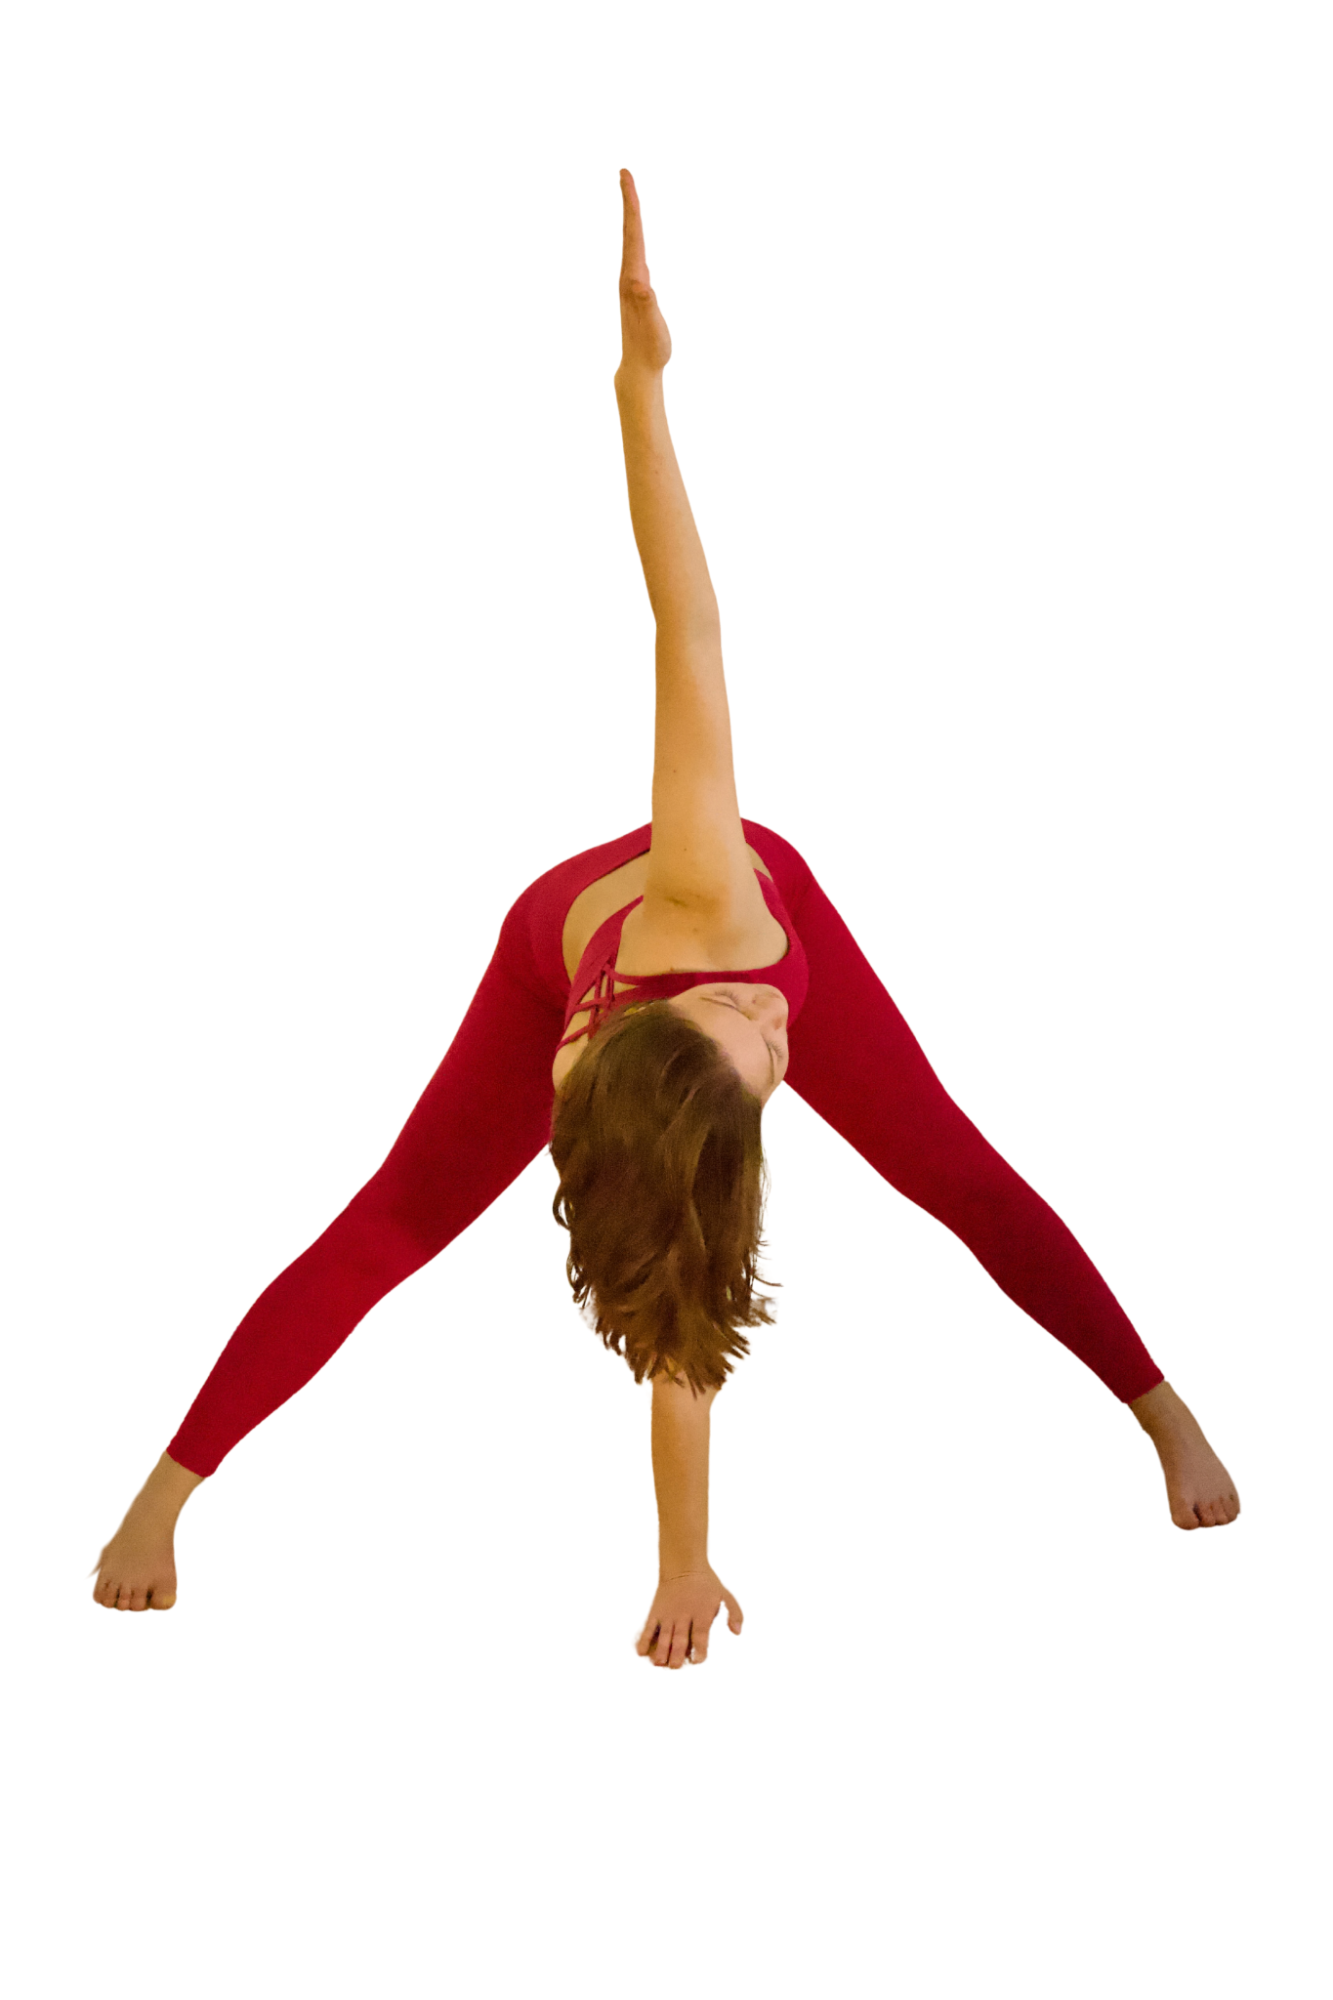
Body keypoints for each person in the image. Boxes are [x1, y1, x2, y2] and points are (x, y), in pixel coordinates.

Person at [89, 169, 1239, 1661]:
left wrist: (637, 387)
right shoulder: (657, 1079)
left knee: (950, 1165)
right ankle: (161, 1495)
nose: (780, 1022)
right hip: (558, 959)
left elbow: (685, 622)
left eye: (752, 1015)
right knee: (398, 1221)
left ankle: (1163, 1410)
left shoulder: (720, 911)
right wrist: (683, 1564)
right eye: (770, 1043)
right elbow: (674, 1302)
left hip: (701, 898)